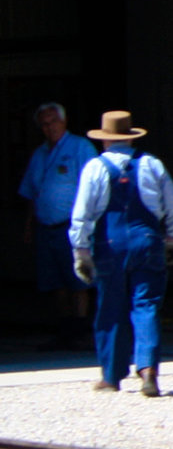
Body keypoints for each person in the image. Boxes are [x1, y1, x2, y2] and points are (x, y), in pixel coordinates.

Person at [68, 111, 173, 397]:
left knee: (110, 308)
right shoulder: (151, 164)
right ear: (131, 137)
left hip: (110, 243)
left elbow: (81, 214)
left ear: (105, 140)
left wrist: (81, 251)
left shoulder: (95, 168)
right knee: (145, 306)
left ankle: (111, 376)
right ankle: (148, 372)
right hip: (147, 241)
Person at [18, 103, 96, 345]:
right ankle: (64, 330)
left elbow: (94, 186)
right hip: (45, 227)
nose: (48, 127)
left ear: (64, 122)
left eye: (53, 121)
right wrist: (29, 225)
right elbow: (32, 192)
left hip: (71, 226)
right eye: (44, 123)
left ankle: (81, 329)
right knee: (54, 281)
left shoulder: (80, 147)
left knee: (78, 279)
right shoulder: (39, 154)